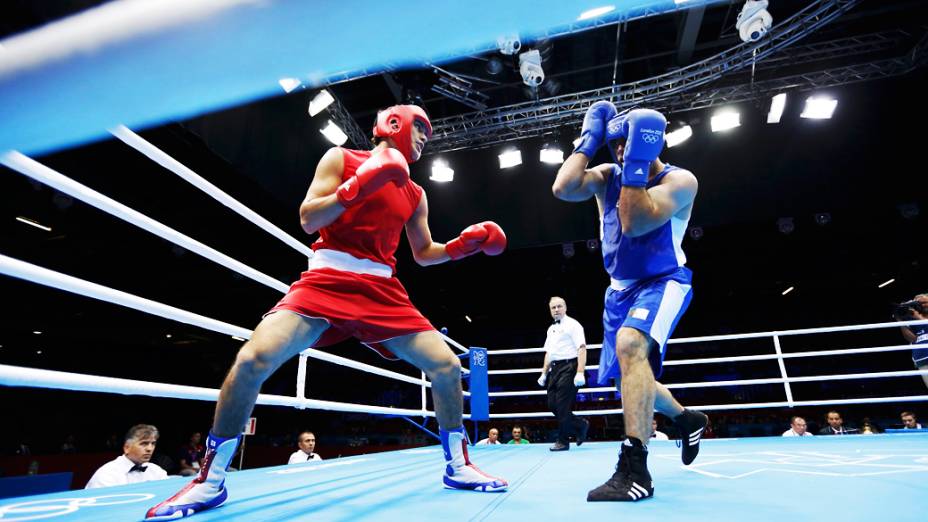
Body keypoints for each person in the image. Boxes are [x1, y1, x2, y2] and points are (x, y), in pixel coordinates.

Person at [147, 104, 508, 520]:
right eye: (421, 128)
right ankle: (208, 482)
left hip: (382, 290)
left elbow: (424, 254)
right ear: (393, 125)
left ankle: (458, 467)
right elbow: (307, 217)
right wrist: (359, 184)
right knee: (251, 359)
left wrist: (464, 246)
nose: (426, 138)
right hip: (327, 278)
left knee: (446, 366)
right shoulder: (341, 158)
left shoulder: (415, 193)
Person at [552, 103, 708, 502]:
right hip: (618, 290)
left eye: (628, 142)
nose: (620, 150)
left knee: (630, 346)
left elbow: (634, 222)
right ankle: (686, 419)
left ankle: (635, 468)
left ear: (650, 140)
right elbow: (563, 188)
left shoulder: (681, 181)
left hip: (663, 281)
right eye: (616, 143)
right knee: (630, 381)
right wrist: (589, 141)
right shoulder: (607, 176)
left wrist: (638, 160)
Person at [537, 296, 590, 451]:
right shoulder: (551, 329)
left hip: (570, 366)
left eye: (559, 306)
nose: (556, 310)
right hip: (555, 369)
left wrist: (580, 372)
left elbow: (582, 348)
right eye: (553, 307)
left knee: (562, 406)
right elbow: (549, 353)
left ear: (565, 308)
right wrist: (543, 373)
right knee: (552, 404)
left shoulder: (574, 325)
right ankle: (581, 424)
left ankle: (563, 441)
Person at [86, 424, 169, 489]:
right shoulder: (107, 474)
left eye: (153, 443)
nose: (150, 449)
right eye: (144, 443)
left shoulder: (156, 471)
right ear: (127, 448)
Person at [895, 293, 928, 389]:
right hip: (922, 359)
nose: (922, 305)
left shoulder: (917, 317)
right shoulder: (912, 320)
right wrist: (899, 320)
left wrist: (918, 316)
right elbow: (912, 338)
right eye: (918, 303)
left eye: (924, 302)